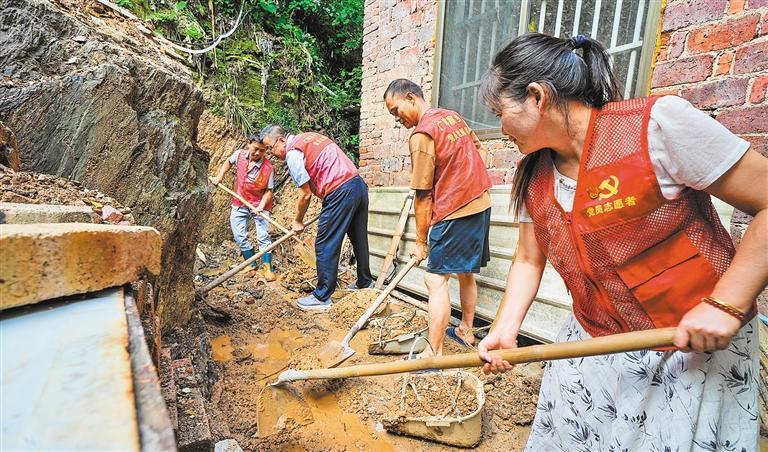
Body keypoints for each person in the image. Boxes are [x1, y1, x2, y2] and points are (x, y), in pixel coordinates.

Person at [477, 33, 766, 450]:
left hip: (689, 341)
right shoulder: (534, 175)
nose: (500, 128)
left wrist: (726, 304)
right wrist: (505, 329)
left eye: (498, 112)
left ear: (537, 97)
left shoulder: (657, 126)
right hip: (595, 339)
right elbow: (527, 258)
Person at [383, 79, 493, 358]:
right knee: (465, 272)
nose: (397, 119)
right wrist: (467, 180)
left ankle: (433, 352)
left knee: (435, 280)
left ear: (411, 98)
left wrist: (421, 242)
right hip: (481, 203)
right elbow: (481, 150)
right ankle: (465, 329)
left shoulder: (422, 134)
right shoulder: (451, 117)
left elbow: (422, 195)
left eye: (396, 111)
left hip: (454, 211)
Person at [260, 124, 374, 310]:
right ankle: (365, 282)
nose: (271, 153)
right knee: (359, 238)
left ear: (281, 140)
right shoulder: (309, 137)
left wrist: (298, 220)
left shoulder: (293, 153)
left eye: (270, 148)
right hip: (358, 185)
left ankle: (322, 297)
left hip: (339, 190)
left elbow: (305, 194)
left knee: (324, 243)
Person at [209, 135, 277, 281]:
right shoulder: (239, 155)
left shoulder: (268, 168)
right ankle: (251, 263)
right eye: (255, 149)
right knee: (239, 235)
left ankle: (267, 266)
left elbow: (269, 191)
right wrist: (219, 177)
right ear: (249, 144)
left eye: (262, 150)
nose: (258, 153)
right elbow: (228, 162)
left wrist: (260, 206)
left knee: (263, 236)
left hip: (259, 204)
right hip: (239, 201)